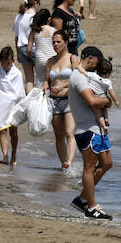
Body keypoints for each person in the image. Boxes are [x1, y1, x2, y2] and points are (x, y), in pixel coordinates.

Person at [69, 45, 115, 219]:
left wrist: (105, 101)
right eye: (97, 61)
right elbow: (92, 100)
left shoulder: (85, 76)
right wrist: (107, 101)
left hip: (96, 128)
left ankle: (82, 198)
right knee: (89, 168)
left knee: (107, 163)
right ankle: (92, 206)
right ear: (89, 57)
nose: (98, 65)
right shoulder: (78, 76)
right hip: (86, 129)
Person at [43, 29, 80, 176]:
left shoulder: (73, 58)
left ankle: (70, 162)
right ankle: (64, 165)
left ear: (65, 42)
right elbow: (47, 80)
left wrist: (62, 85)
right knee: (59, 135)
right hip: (54, 101)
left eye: (58, 42)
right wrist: (44, 86)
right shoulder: (50, 61)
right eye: (53, 42)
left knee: (69, 132)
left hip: (70, 99)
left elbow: (77, 78)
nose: (55, 45)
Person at [14, 0, 41, 90]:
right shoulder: (36, 17)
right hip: (35, 48)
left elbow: (16, 38)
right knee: (40, 78)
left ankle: (29, 100)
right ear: (35, 3)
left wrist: (17, 53)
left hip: (22, 48)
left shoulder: (19, 17)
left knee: (29, 79)